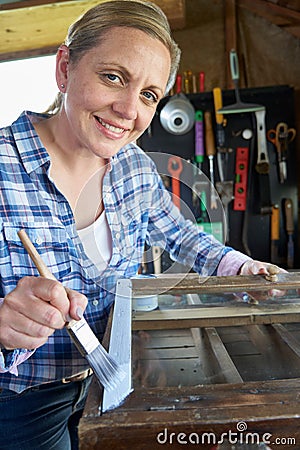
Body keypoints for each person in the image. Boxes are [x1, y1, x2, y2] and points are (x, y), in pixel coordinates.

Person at [0, 1, 284, 449]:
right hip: (21, 405)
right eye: (113, 76)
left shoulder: (134, 167)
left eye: (149, 94)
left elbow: (181, 235)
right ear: (65, 67)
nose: (128, 109)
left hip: (117, 382)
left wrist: (239, 267)